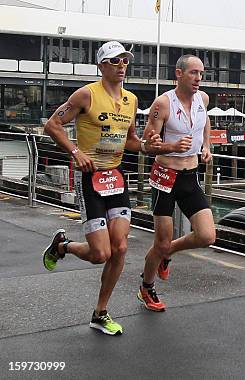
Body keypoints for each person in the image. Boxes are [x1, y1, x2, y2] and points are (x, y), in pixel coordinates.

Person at [42, 41, 161, 335]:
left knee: (120, 247)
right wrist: (75, 152)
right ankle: (62, 246)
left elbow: (131, 139)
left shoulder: (131, 100)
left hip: (116, 178)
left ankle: (100, 313)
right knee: (100, 253)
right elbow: (52, 126)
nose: (122, 66)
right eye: (115, 61)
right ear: (102, 66)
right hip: (91, 178)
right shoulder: (86, 94)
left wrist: (146, 147)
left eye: (125, 61)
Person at [138, 54, 216, 312]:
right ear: (179, 74)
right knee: (159, 241)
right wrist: (172, 146)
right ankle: (146, 287)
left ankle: (166, 252)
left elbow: (205, 122)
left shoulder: (202, 99)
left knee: (206, 235)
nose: (198, 78)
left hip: (190, 175)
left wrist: (206, 145)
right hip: (165, 176)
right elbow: (146, 145)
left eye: (201, 74)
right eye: (193, 73)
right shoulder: (163, 104)